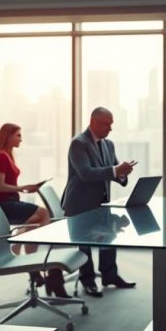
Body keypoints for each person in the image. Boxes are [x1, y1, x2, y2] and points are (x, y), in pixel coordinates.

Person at [62, 107, 138, 297]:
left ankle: (110, 276)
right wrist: (115, 170)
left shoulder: (108, 144)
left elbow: (114, 170)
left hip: (101, 202)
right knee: (84, 244)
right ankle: (87, 280)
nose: (110, 128)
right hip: (79, 203)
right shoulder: (78, 144)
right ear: (93, 122)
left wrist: (121, 174)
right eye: (106, 124)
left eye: (111, 124)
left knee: (109, 238)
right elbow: (85, 173)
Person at [0, 123, 67, 298]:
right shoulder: (1, 157)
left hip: (11, 200)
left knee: (39, 218)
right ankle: (23, 246)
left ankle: (29, 261)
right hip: (3, 204)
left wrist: (25, 189)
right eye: (18, 135)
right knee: (44, 213)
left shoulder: (8, 155)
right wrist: (24, 187)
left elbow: (8, 184)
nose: (21, 139)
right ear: (7, 136)